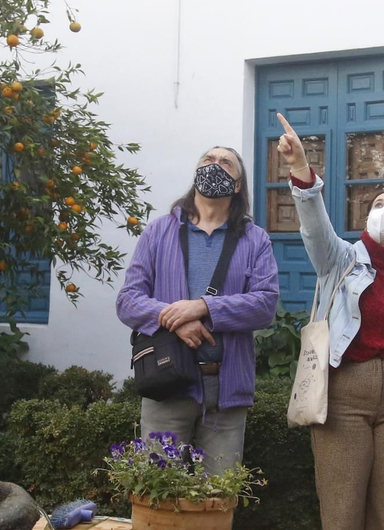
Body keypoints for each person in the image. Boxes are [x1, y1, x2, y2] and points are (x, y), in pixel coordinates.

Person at [274, 114, 384, 530]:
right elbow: (312, 224)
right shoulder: (340, 259)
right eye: (377, 204)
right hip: (344, 394)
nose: (383, 211)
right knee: (342, 510)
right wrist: (303, 171)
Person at [116, 145, 279, 474]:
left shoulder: (254, 239)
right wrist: (175, 322)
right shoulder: (160, 231)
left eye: (226, 162)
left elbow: (265, 304)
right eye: (208, 159)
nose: (215, 165)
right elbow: (128, 299)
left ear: (237, 185)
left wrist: (203, 307)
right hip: (168, 380)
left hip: (226, 389)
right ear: (196, 173)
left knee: (217, 498)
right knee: (158, 492)